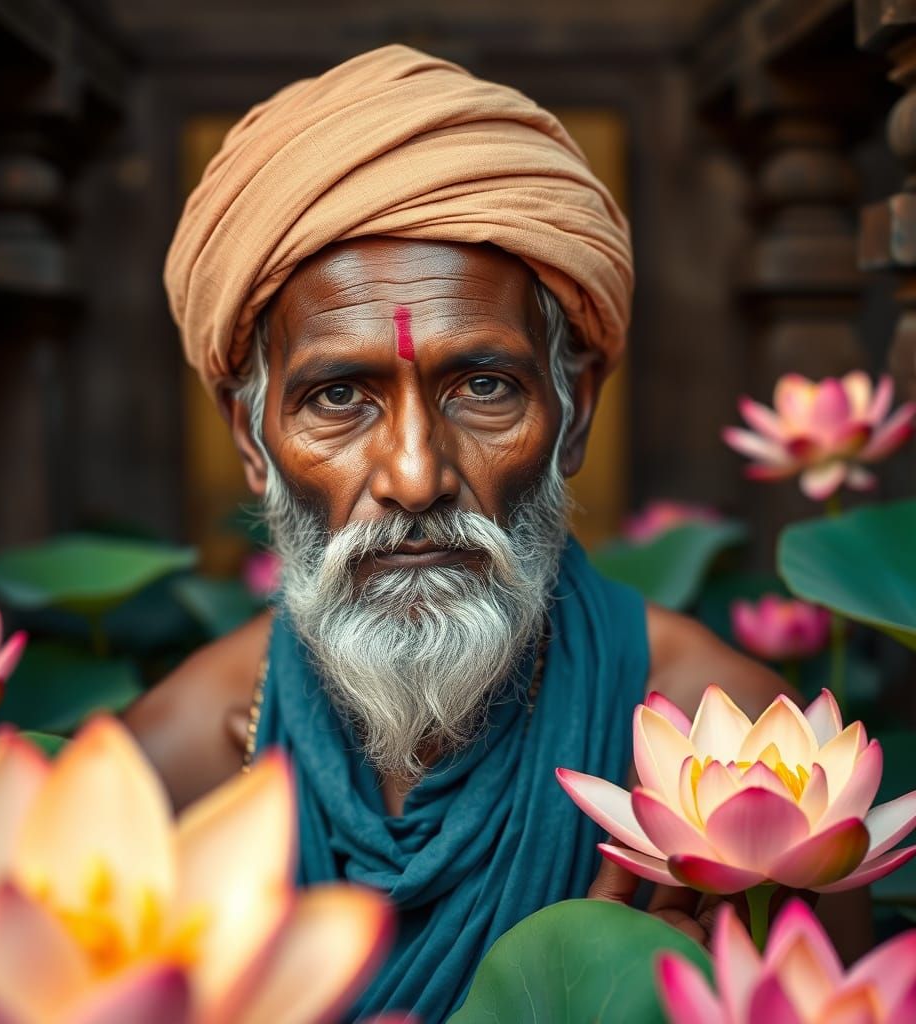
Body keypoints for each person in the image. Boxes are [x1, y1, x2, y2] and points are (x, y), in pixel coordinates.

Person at [128, 45, 797, 1022]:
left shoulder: (740, 770)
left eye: (483, 386)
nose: (414, 476)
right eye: (339, 395)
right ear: (251, 437)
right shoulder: (168, 774)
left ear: (572, 414)